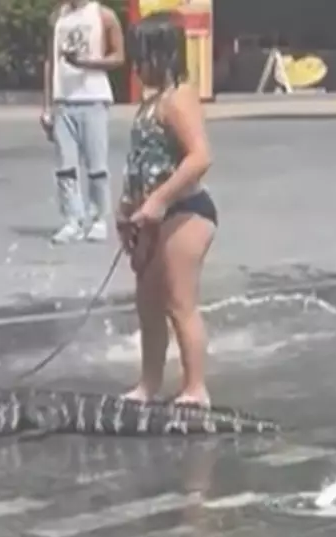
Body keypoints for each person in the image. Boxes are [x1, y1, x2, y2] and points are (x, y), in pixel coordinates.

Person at [117, 11, 217, 407]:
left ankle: (195, 389)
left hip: (185, 211)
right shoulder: (150, 103)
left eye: (142, 58)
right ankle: (149, 384)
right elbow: (140, 162)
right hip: (150, 216)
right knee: (148, 305)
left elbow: (200, 157)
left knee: (179, 303)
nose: (137, 67)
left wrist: (158, 201)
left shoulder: (179, 98)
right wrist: (125, 212)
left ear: (164, 55)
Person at [41, 0, 126, 244]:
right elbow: (50, 61)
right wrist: (47, 106)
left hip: (93, 98)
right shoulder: (58, 16)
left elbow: (118, 56)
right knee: (65, 166)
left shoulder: (104, 15)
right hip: (63, 100)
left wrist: (86, 63)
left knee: (96, 165)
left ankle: (99, 218)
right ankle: (72, 219)